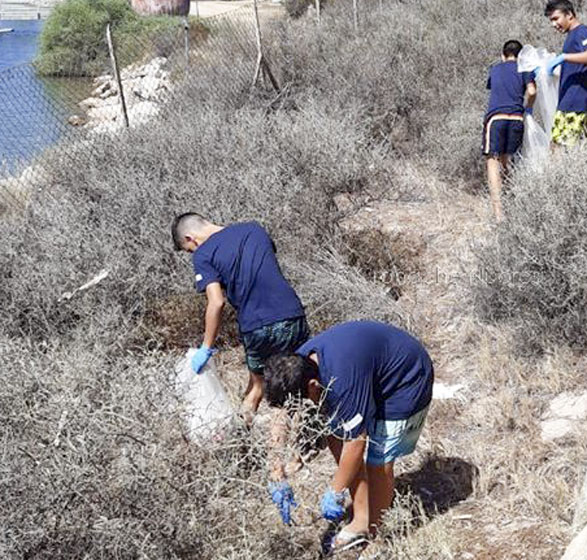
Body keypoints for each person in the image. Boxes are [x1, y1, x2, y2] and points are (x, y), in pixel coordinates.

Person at [264, 320, 434, 554]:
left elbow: (356, 443)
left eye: (301, 402)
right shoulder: (296, 365)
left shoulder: (343, 384)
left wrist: (335, 491)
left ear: (313, 386)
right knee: (334, 436)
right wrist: (276, 473)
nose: (299, 408)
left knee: (378, 462)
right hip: (370, 370)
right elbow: (281, 414)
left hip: (406, 378)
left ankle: (375, 535)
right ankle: (361, 520)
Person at [170, 213, 309, 425]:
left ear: (191, 238)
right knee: (300, 381)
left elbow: (216, 302)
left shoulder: (203, 254)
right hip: (291, 314)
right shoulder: (254, 229)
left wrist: (206, 347)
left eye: (190, 249)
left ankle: (248, 440)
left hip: (256, 325)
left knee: (259, 387)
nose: (193, 253)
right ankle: (309, 439)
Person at [483, 39, 537, 221]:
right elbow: (532, 91)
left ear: (503, 55)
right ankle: (512, 203)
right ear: (521, 56)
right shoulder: (525, 68)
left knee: (493, 161)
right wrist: (528, 108)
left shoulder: (495, 69)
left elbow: (493, 87)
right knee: (508, 161)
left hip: (496, 118)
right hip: (516, 118)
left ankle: (499, 214)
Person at [543, 0, 587, 148]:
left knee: (561, 149)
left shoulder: (582, 31)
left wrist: (564, 57)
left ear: (569, 14)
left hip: (576, 102)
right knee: (562, 148)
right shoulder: (571, 35)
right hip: (570, 101)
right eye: (551, 21)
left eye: (556, 18)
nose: (553, 24)